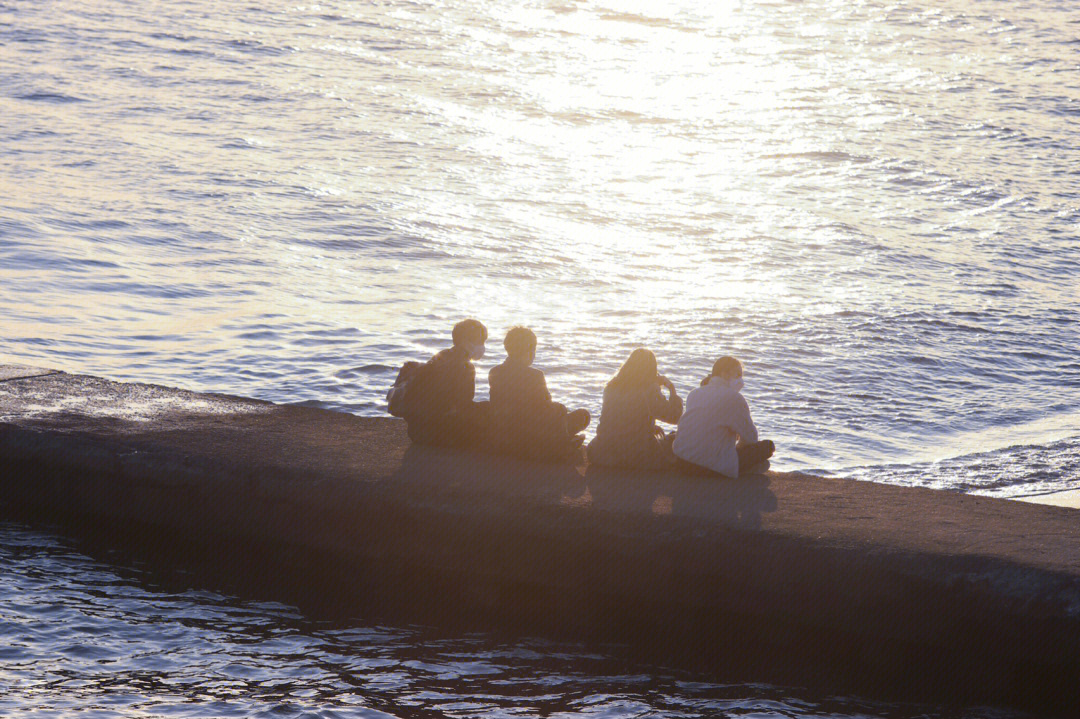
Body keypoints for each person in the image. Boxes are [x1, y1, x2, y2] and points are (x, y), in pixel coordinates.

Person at [488, 326, 590, 459]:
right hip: (531, 432)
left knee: (559, 414)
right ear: (529, 351)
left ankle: (558, 440)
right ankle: (560, 445)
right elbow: (545, 408)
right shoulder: (535, 375)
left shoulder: (495, 371)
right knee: (576, 414)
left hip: (505, 431)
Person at [672, 356, 774, 478]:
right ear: (724, 374)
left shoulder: (694, 393)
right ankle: (744, 469)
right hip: (710, 467)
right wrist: (737, 446)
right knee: (767, 447)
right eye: (737, 375)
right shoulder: (734, 398)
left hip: (683, 462)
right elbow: (751, 438)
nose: (741, 380)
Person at [587, 348, 683, 469]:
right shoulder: (648, 389)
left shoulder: (611, 386)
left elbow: (618, 418)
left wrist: (647, 427)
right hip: (633, 454)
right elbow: (675, 417)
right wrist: (672, 389)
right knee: (675, 438)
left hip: (601, 451)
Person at [401, 319, 490, 449]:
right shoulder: (465, 367)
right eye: (480, 341)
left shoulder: (441, 355)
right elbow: (463, 404)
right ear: (466, 342)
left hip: (417, 432)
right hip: (439, 435)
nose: (482, 346)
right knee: (488, 410)